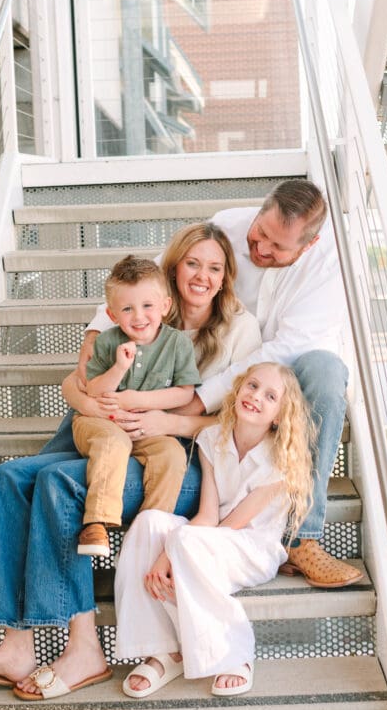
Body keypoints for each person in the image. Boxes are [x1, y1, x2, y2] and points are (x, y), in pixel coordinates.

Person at [0, 222, 261, 695]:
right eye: (193, 263)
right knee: (9, 476)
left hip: (181, 459)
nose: (202, 276)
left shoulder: (240, 329)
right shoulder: (137, 306)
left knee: (58, 483)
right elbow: (78, 383)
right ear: (173, 269)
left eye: (214, 267)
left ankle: (85, 648)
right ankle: (15, 647)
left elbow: (242, 423)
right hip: (111, 435)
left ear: (226, 274)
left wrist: (166, 423)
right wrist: (95, 406)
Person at [79, 179, 359, 589]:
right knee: (102, 382)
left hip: (282, 370)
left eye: (277, 247)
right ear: (260, 210)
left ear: (308, 244)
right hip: (215, 361)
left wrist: (198, 400)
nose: (261, 248)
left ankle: (302, 537)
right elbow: (155, 275)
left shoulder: (332, 262)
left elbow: (284, 348)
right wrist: (96, 329)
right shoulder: (229, 225)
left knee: (327, 372)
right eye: (260, 233)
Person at [113, 363, 313, 700]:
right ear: (238, 390)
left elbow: (234, 523)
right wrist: (170, 548)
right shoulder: (212, 438)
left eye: (270, 396)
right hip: (210, 538)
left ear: (279, 416)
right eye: (252, 386)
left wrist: (171, 553)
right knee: (149, 522)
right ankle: (165, 650)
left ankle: (234, 654)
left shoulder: (281, 458)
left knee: (185, 541)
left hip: (252, 548)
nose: (256, 397)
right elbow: (207, 514)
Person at [73, 256, 200, 558]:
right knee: (114, 441)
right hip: (98, 423)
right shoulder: (107, 342)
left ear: (165, 306)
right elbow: (93, 389)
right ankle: (97, 522)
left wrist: (139, 401)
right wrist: (119, 367)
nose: (139, 316)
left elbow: (185, 393)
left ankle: (147, 533)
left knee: (172, 454)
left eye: (147, 306)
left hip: (143, 428)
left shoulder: (177, 344)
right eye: (127, 309)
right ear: (112, 314)